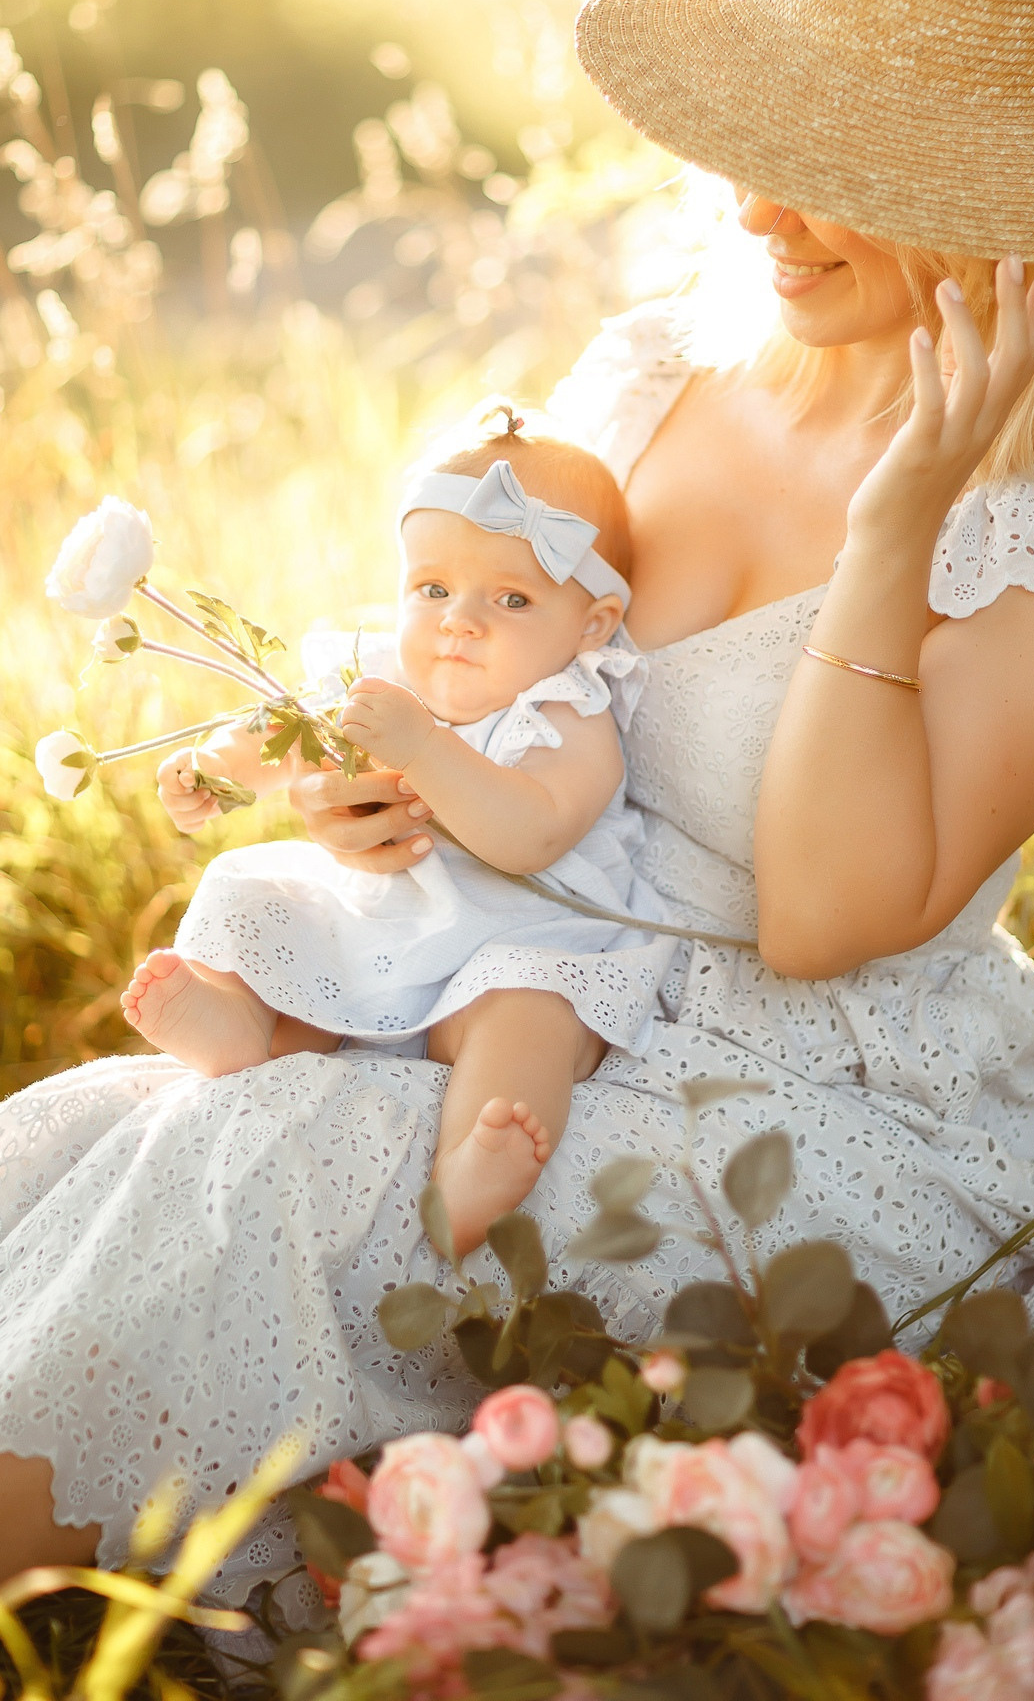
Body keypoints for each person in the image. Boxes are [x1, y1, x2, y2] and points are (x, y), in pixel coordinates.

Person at [0, 0, 1034, 1686]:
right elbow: (487, 656)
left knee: (291, 1161)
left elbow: (820, 919)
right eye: (764, 147)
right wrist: (388, 788)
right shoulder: (652, 380)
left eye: (839, 174)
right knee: (120, 1134)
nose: (763, 212)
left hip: (826, 1107)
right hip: (527, 982)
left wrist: (895, 526)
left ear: (1004, 208)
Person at [120, 408, 673, 1255]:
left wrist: (426, 748)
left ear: (591, 624)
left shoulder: (571, 708)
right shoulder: (381, 673)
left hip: (519, 943)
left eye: (512, 598)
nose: (459, 621)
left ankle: (471, 1170)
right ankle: (243, 1023)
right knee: (263, 893)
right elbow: (288, 734)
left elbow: (532, 834)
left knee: (530, 1020)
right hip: (381, 931)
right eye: (434, 590)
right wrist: (217, 770)